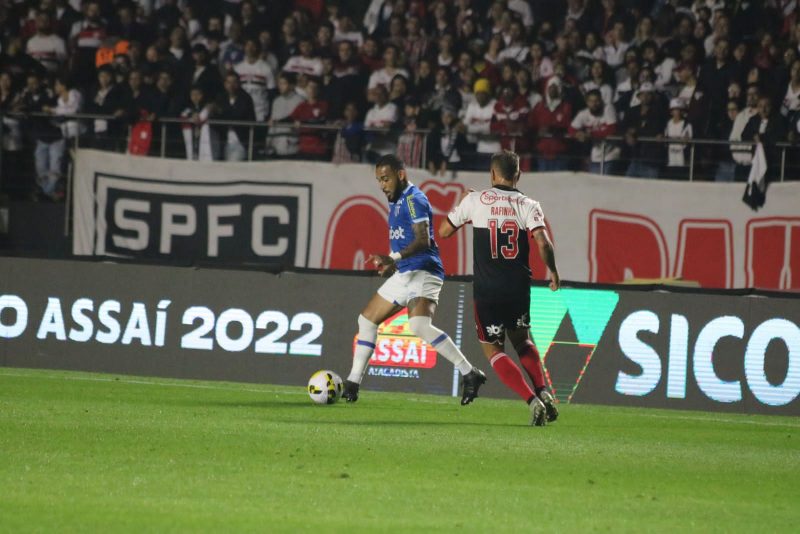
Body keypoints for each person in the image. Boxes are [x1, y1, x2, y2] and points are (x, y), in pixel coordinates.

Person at [342, 155, 487, 405]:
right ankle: (353, 382)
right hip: (405, 271)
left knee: (419, 326)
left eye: (385, 179)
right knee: (366, 319)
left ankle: (469, 372)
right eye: (379, 180)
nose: (382, 185)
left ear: (400, 174)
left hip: (424, 270)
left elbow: (424, 240)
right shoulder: (396, 200)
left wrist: (393, 257)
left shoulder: (414, 199)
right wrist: (393, 263)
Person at [438, 150, 560, 426]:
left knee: (494, 350)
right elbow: (543, 242)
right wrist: (553, 271)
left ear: (492, 174)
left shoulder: (475, 200)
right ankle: (543, 390)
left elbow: (444, 232)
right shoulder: (529, 204)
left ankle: (532, 401)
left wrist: (462, 205)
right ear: (518, 174)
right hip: (517, 288)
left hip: (487, 290)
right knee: (523, 341)